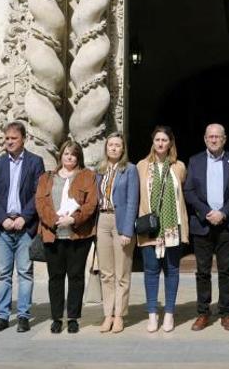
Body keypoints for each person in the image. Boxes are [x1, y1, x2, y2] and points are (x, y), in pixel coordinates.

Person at [0, 121, 45, 333]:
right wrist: (3, 219)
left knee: (25, 273)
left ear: (23, 139)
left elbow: (38, 194)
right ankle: (2, 316)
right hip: (2, 227)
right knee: (3, 273)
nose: (9, 142)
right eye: (7, 138)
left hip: (25, 227)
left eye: (13, 138)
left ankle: (23, 316)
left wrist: (24, 217)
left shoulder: (35, 162)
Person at [35, 139, 98, 334]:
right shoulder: (46, 177)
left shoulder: (88, 176)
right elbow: (40, 202)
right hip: (52, 233)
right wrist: (54, 220)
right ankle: (56, 318)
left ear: (78, 157)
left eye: (73, 154)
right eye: (66, 154)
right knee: (55, 277)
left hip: (78, 235)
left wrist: (72, 220)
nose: (69, 157)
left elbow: (91, 203)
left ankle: (72, 318)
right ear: (60, 156)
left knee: (76, 277)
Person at [184, 123, 229, 331]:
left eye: (218, 136)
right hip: (202, 224)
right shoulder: (195, 161)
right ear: (205, 139)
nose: (214, 140)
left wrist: (223, 212)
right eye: (210, 137)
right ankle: (203, 313)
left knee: (226, 271)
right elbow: (189, 191)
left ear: (224, 139)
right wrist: (207, 212)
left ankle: (226, 312)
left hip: (227, 224)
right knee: (202, 272)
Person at [136, 126, 188, 332]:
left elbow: (181, 195)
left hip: (172, 228)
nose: (160, 143)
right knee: (150, 271)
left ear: (170, 143)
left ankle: (169, 314)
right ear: (153, 142)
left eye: (164, 140)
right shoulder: (142, 166)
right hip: (150, 228)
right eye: (157, 139)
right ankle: (152, 315)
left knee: (172, 271)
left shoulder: (179, 167)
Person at [95, 132, 139, 334]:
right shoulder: (100, 170)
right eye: (110, 145)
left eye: (117, 145)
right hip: (102, 221)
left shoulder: (129, 170)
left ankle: (119, 315)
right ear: (106, 148)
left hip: (120, 222)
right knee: (106, 273)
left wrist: (127, 230)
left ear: (123, 149)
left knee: (122, 272)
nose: (113, 148)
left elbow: (132, 201)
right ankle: (107, 315)